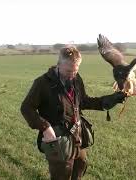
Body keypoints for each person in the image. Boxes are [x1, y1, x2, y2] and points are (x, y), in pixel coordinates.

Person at [20, 45, 126, 180]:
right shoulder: (42, 83)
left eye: (75, 71)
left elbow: (84, 101)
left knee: (81, 165)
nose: (72, 75)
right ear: (58, 64)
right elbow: (26, 108)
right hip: (58, 139)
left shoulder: (76, 79)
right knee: (62, 174)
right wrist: (45, 127)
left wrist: (112, 99)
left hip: (77, 135)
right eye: (69, 71)